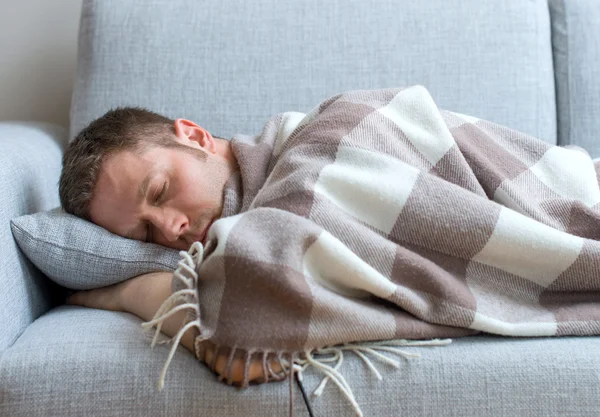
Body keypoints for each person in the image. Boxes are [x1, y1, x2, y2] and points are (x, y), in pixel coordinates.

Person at [60, 107, 282, 384]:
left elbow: (246, 352)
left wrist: (128, 294)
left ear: (195, 136)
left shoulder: (313, 140)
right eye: (146, 233)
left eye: (159, 191)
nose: (169, 229)